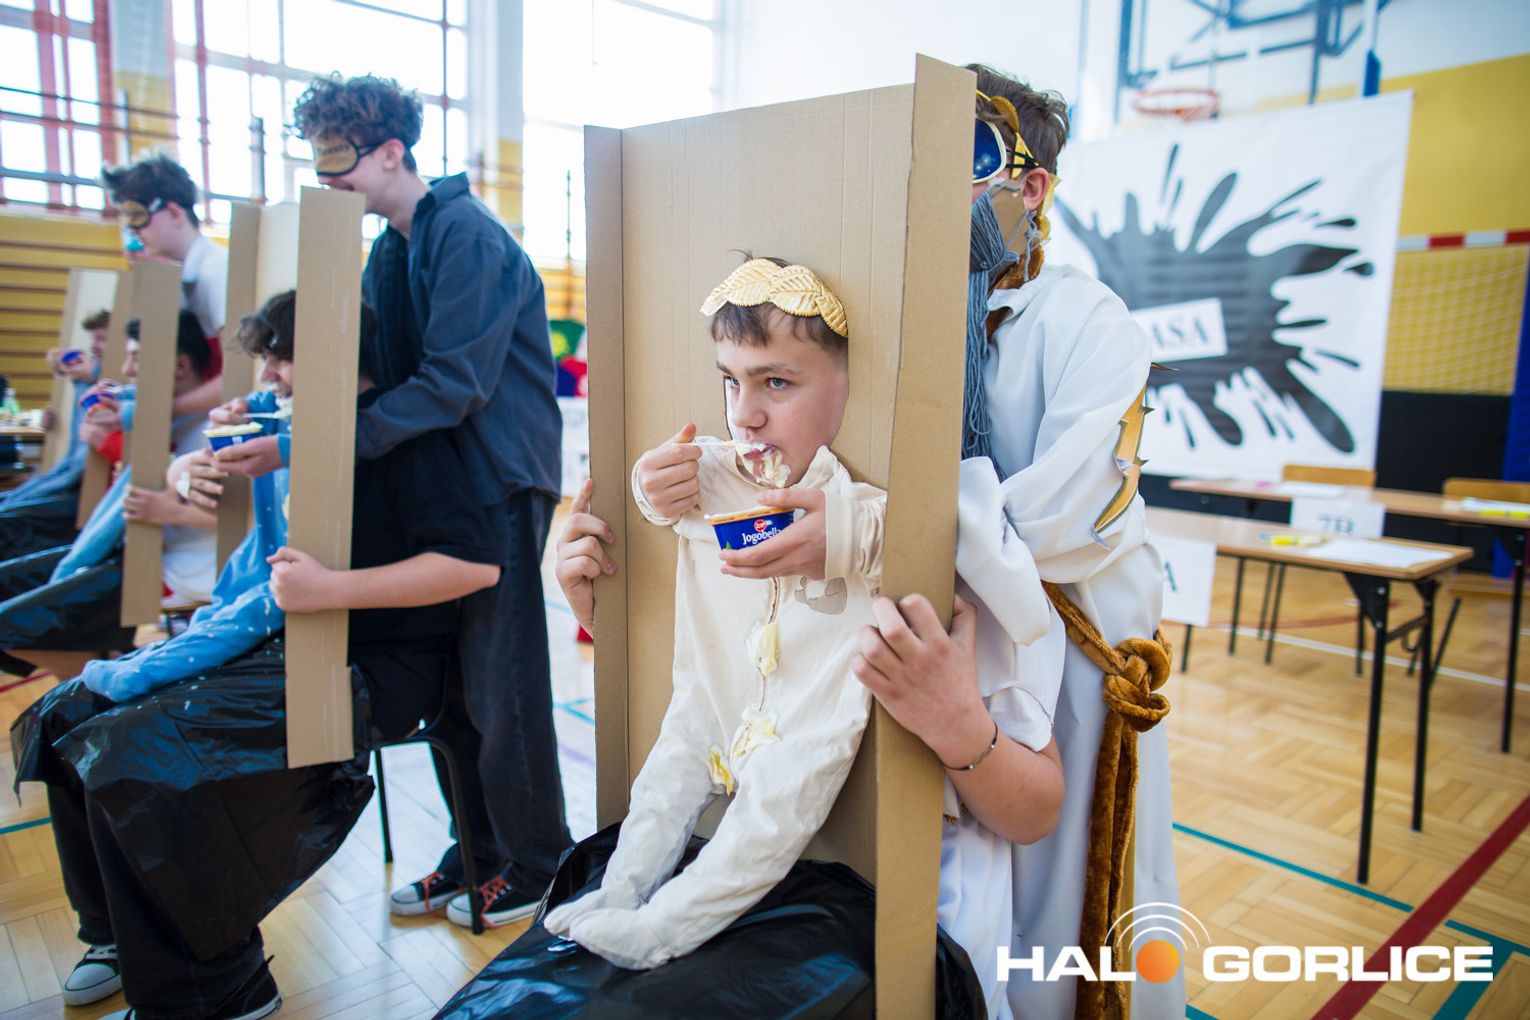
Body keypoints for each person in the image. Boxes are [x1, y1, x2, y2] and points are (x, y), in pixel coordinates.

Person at [556, 66, 1179, 1019]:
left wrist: (861, 534)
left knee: (1049, 929)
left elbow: (1053, 529)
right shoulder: (860, 313)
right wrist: (619, 574)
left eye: (968, 160)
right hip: (880, 730)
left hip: (1031, 656)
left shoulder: (1080, 323)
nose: (748, 410)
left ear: (1029, 186)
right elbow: (736, 642)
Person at [550, 258, 1066, 1007]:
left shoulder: (903, 507)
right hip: (716, 699)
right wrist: (647, 490)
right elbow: (671, 501)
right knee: (662, 784)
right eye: (731, 382)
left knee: (766, 819)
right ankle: (617, 894)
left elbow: (916, 535)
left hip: (828, 753)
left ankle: (663, 926)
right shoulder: (726, 468)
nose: (745, 414)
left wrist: (850, 534)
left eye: (776, 383)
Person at [9, 289, 502, 1020]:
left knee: (132, 750)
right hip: (289, 640)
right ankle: (114, 934)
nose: (268, 374)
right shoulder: (286, 429)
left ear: (333, 357)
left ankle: (218, 983)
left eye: (280, 358)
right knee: (69, 712)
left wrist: (329, 588)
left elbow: (475, 567)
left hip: (373, 668)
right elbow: (200, 469)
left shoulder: (406, 440)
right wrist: (190, 468)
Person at [248, 72, 570, 928]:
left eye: (339, 161)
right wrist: (283, 410)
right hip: (438, 484)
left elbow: (452, 385)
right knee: (449, 689)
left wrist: (313, 445)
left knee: (500, 686)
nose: (328, 181)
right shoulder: (390, 250)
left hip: (497, 479)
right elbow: (381, 375)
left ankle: (540, 862)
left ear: (391, 151)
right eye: (317, 164)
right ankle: (479, 851)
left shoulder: (466, 234)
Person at [0, 310, 217, 681]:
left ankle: (104, 679)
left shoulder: (214, 428)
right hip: (132, 554)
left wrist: (168, 510)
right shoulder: (160, 422)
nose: (127, 370)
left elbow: (248, 519)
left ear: (181, 366)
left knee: (12, 628)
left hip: (170, 568)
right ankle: (104, 671)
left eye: (137, 358)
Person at [102, 151, 227, 416]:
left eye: (138, 217)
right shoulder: (179, 276)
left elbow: (241, 377)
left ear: (173, 213)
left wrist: (152, 413)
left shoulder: (216, 272)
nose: (132, 231)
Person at [0, 309, 111, 561]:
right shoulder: (91, 378)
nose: (94, 346)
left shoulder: (114, 387)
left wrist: (94, 374)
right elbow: (61, 362)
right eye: (93, 339)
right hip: (70, 482)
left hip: (84, 494)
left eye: (102, 338)